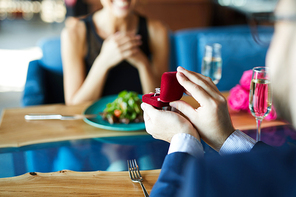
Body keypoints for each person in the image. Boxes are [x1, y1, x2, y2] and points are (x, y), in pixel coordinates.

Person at [141, 0, 296, 196]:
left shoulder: (210, 177)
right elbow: (281, 176)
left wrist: (183, 139)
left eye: (276, 24)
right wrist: (225, 137)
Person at [61, 0, 169, 105]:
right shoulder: (74, 34)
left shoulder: (157, 30)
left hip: (142, 121)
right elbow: (73, 106)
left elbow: (160, 101)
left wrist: (143, 63)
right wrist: (103, 62)